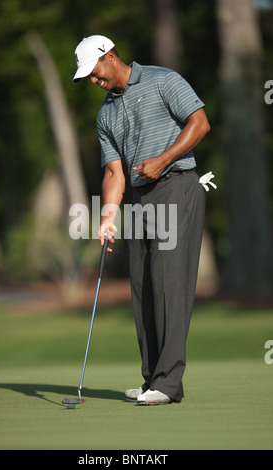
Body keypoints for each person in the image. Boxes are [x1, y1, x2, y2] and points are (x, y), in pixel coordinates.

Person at [73, 35, 211, 405]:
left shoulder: (163, 80)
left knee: (169, 286)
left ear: (110, 56)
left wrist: (162, 160)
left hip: (176, 187)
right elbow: (114, 173)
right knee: (143, 289)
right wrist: (107, 216)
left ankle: (167, 384)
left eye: (94, 71)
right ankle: (153, 379)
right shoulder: (106, 114)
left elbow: (200, 123)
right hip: (137, 199)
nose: (92, 80)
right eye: (86, 76)